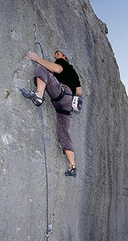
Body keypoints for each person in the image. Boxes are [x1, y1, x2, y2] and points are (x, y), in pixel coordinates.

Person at [21, 49, 82, 177]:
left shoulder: (62, 63)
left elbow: (57, 69)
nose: (55, 56)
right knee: (63, 132)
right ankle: (72, 166)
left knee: (41, 68)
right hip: (67, 105)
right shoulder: (74, 74)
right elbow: (79, 91)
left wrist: (37, 58)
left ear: (64, 57)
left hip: (62, 95)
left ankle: (38, 95)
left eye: (58, 54)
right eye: (55, 54)